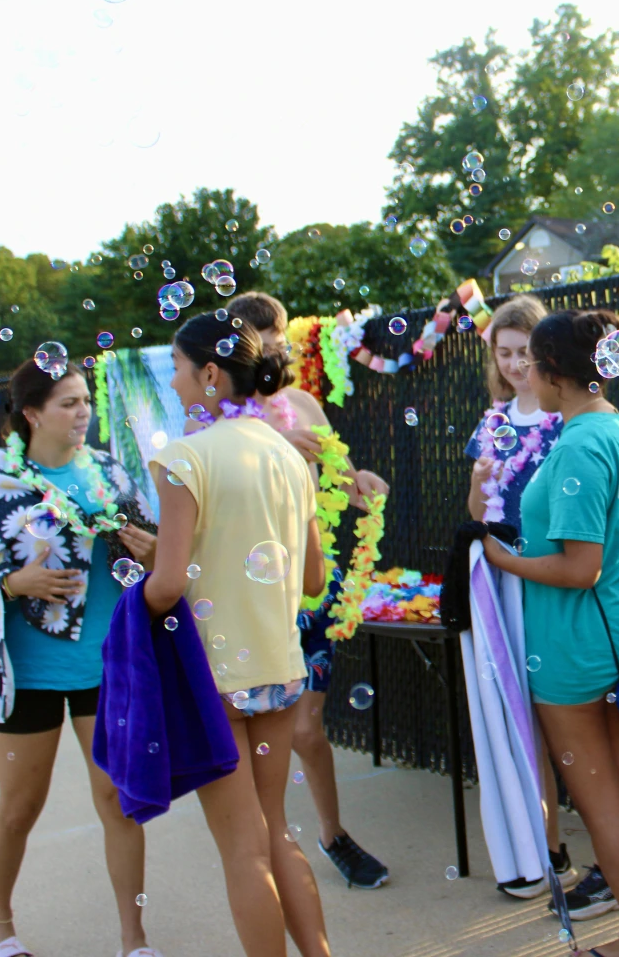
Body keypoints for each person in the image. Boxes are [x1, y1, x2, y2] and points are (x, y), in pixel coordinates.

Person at [0, 359, 162, 957]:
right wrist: (15, 584)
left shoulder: (109, 474)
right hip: (28, 674)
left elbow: (155, 557)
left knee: (118, 801)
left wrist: (152, 553)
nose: (83, 411)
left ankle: (134, 941)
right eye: (68, 402)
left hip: (106, 666)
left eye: (85, 400)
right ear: (32, 413)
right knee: (20, 807)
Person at [145, 313, 332, 957]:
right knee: (276, 830)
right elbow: (314, 579)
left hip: (214, 678)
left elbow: (167, 586)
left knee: (242, 849)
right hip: (279, 669)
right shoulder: (288, 454)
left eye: (176, 367)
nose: (172, 382)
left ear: (210, 373)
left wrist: (141, 584)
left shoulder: (183, 458)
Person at [478, 309, 619, 957]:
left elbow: (581, 567)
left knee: (603, 809)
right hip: (612, 633)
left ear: (555, 372)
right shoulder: (614, 427)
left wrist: (501, 559)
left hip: (572, 650)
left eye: (533, 363)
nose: (525, 373)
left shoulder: (580, 444)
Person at [225, 292, 392, 890]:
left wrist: (360, 485)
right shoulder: (223, 416)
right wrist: (271, 450)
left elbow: (339, 482)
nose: (279, 350)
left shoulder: (302, 404)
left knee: (303, 731)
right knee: (254, 733)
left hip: (311, 586)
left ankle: (331, 834)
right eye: (265, 341)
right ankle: (261, 838)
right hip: (251, 594)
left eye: (281, 339)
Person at [462, 295, 597, 909]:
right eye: (504, 353)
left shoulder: (564, 417)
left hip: (551, 573)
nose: (516, 365)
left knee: (555, 716)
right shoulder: (492, 421)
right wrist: (477, 485)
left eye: (525, 352)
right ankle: (546, 847)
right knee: (518, 714)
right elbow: (477, 513)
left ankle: (576, 845)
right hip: (504, 577)